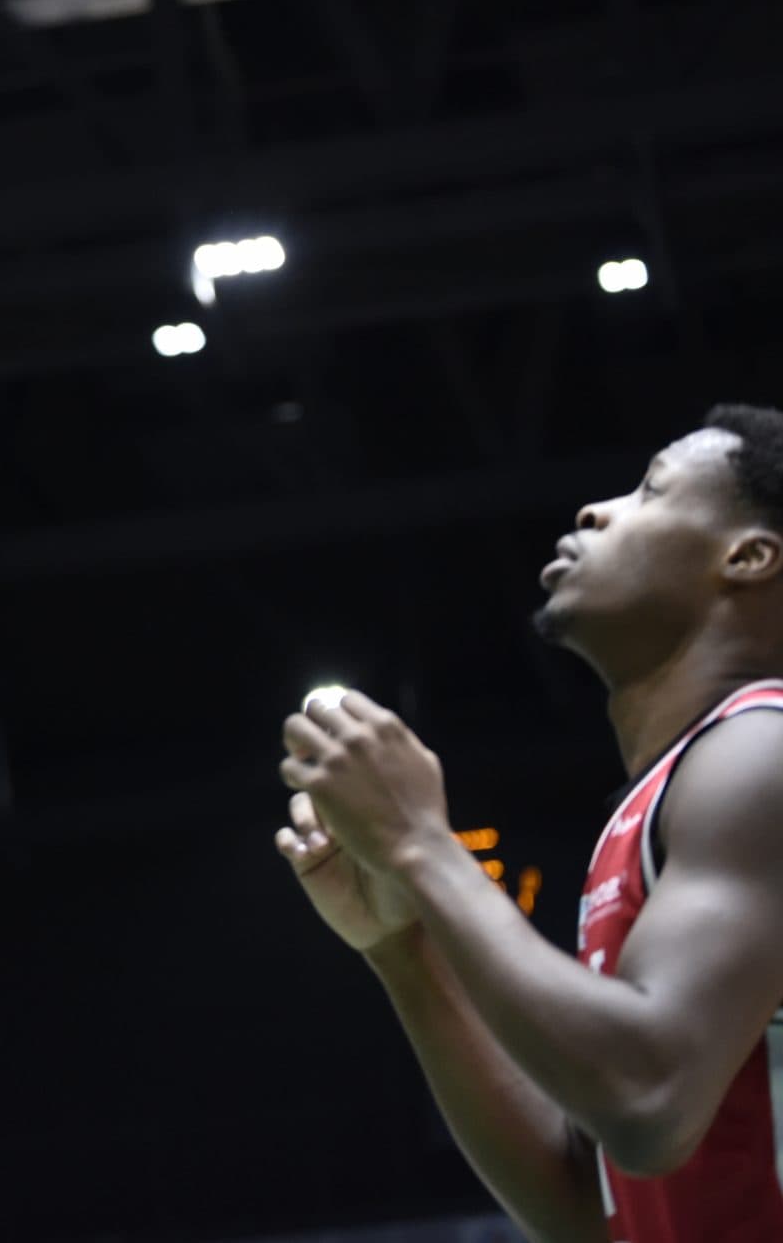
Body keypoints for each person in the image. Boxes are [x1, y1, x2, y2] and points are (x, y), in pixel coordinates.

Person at [276, 404, 783, 1242]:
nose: (596, 509)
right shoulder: (677, 789)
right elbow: (583, 1206)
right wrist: (402, 950)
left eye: (651, 490)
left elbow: (648, 1097)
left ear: (749, 556)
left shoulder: (764, 749)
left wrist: (420, 843)